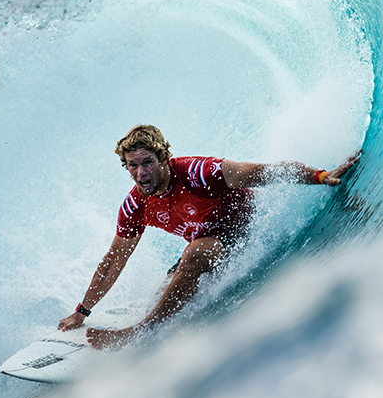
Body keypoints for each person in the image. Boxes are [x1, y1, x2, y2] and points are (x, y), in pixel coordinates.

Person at [58, 124, 360, 349]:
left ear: (163, 158)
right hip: (206, 249)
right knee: (162, 296)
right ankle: (156, 327)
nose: (141, 173)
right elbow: (113, 262)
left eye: (147, 162)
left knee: (194, 254)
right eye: (132, 165)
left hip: (245, 234)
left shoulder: (198, 173)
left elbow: (267, 172)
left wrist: (320, 176)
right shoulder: (135, 206)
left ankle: (142, 331)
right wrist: (81, 312)